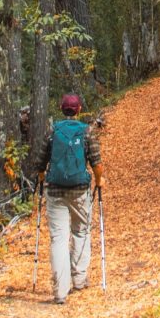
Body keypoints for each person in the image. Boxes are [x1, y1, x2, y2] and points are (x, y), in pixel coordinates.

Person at [34, 94, 105, 304]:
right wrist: (99, 181)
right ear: (79, 109)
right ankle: (80, 279)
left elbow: (40, 160)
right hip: (80, 190)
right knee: (81, 231)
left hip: (55, 191)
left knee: (58, 238)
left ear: (61, 108)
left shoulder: (52, 131)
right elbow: (97, 163)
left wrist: (41, 177)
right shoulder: (86, 131)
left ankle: (60, 292)